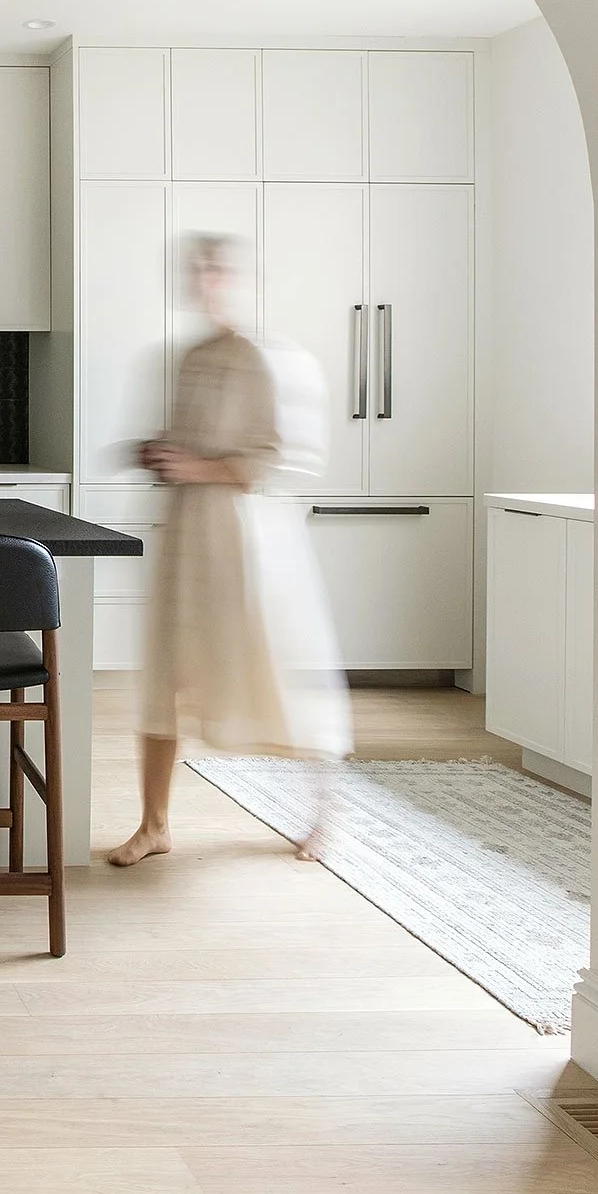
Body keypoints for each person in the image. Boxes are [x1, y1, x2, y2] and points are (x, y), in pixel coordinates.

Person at [108, 234, 351, 867]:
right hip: (185, 537)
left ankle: (325, 814)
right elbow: (186, 445)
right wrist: (159, 453)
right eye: (198, 268)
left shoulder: (268, 360)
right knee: (165, 674)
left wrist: (196, 466)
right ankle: (153, 823)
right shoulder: (188, 358)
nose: (204, 278)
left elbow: (274, 461)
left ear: (241, 278)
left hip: (247, 546)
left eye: (216, 268)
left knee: (276, 669)